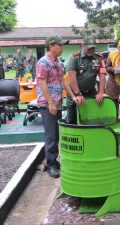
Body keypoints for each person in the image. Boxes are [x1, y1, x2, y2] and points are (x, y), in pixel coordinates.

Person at [36, 35, 79, 178]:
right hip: (48, 105)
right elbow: (42, 83)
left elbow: (63, 81)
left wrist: (73, 96)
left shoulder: (58, 63)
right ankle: (51, 165)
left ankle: (53, 160)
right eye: (60, 45)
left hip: (58, 104)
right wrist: (50, 103)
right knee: (51, 136)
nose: (62, 48)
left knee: (56, 134)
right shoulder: (43, 62)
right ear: (52, 46)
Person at [66, 36, 106, 124]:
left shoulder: (99, 58)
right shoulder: (74, 58)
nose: (91, 50)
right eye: (89, 48)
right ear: (82, 46)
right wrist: (78, 94)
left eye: (93, 48)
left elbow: (102, 76)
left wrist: (101, 92)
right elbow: (71, 76)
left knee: (93, 116)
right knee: (72, 119)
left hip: (91, 91)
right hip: (75, 92)